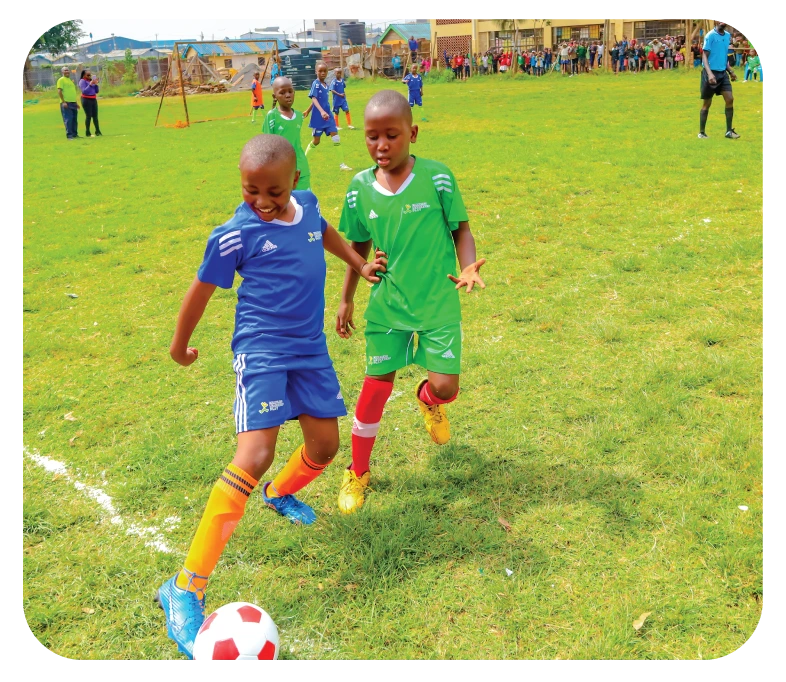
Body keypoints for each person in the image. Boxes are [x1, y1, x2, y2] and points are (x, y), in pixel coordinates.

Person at [154, 134, 386, 659]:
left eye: (273, 191)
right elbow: (200, 292)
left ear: (296, 182)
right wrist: (178, 344)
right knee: (254, 454)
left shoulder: (305, 208)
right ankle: (185, 585)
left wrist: (357, 260)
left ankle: (279, 493)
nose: (262, 201)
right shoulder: (234, 236)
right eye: (250, 189)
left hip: (309, 349)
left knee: (325, 447)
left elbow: (322, 231)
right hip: (260, 351)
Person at [334, 89, 486, 515]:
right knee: (373, 392)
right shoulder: (358, 189)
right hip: (388, 308)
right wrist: (345, 298)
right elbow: (356, 248)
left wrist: (468, 265)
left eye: (392, 135)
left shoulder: (438, 178)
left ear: (412, 133)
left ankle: (428, 400)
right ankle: (358, 471)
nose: (381, 145)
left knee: (446, 386)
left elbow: (462, 230)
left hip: (438, 303)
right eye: (371, 137)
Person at [264, 77, 311, 191]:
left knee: (304, 201)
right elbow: (266, 145)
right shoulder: (272, 117)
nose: (288, 95)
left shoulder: (299, 116)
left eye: (290, 91)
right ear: (274, 96)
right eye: (282, 92)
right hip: (281, 170)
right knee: (285, 204)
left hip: (301, 167)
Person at [305, 61, 352, 171]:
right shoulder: (315, 83)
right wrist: (320, 112)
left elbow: (318, 100)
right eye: (320, 71)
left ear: (327, 72)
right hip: (318, 118)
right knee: (316, 141)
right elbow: (314, 98)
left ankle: (342, 164)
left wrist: (308, 110)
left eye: (324, 71)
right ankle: (304, 161)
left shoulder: (326, 85)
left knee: (336, 137)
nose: (322, 73)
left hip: (328, 117)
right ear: (316, 72)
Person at [698, 20, 739, 139]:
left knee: (730, 99)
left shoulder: (727, 36)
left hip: (722, 73)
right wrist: (710, 74)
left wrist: (730, 71)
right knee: (707, 103)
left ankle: (729, 131)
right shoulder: (710, 36)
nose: (722, 21)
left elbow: (723, 55)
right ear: (716, 21)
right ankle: (702, 132)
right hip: (710, 73)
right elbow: (704, 56)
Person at [56, 66, 80, 140]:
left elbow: (72, 92)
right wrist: (63, 102)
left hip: (73, 103)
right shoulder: (61, 80)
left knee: (74, 119)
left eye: (68, 70)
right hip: (67, 103)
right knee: (68, 119)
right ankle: (69, 135)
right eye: (65, 70)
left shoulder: (70, 80)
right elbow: (59, 91)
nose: (67, 72)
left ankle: (75, 134)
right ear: (62, 72)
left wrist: (76, 102)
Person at [78, 69, 101, 137]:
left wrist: (96, 84)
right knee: (88, 116)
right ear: (84, 75)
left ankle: (98, 131)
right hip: (86, 100)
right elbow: (84, 91)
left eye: (90, 75)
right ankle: (87, 131)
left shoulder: (91, 81)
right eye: (88, 75)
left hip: (93, 99)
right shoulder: (82, 81)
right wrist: (90, 85)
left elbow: (96, 91)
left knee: (95, 116)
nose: (89, 76)